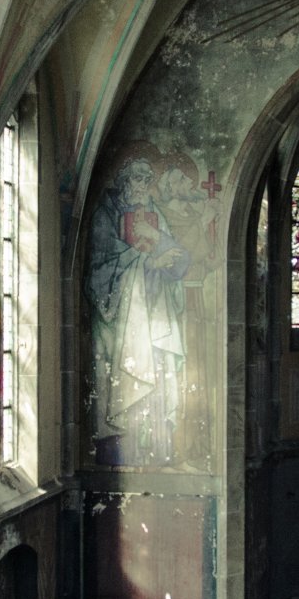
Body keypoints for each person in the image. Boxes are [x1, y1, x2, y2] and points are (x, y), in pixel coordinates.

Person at [85, 158, 191, 464]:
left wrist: (156, 238)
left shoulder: (152, 213)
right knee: (114, 378)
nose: (142, 187)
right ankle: (114, 449)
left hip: (153, 314)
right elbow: (101, 265)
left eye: (147, 181)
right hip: (116, 320)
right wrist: (147, 262)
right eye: (137, 180)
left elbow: (181, 260)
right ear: (124, 183)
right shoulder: (106, 212)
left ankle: (155, 447)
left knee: (158, 371)